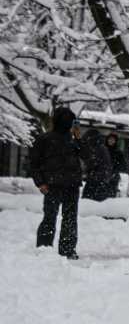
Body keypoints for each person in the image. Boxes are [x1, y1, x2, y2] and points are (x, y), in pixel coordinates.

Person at [30, 106, 84, 258]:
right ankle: (49, 249)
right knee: (56, 218)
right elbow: (35, 163)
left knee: (63, 218)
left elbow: (87, 157)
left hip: (67, 184)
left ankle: (52, 249)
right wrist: (40, 182)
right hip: (55, 185)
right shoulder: (45, 139)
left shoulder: (72, 140)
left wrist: (79, 139)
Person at [80, 128, 114, 202]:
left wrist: (86, 171)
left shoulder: (97, 149)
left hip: (96, 180)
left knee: (88, 202)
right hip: (101, 180)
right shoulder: (101, 148)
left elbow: (92, 163)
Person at [104, 132, 127, 198]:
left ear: (115, 141)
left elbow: (123, 165)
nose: (111, 141)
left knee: (110, 196)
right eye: (109, 139)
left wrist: (115, 171)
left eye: (113, 139)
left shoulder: (118, 152)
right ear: (107, 139)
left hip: (113, 177)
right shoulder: (102, 149)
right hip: (102, 176)